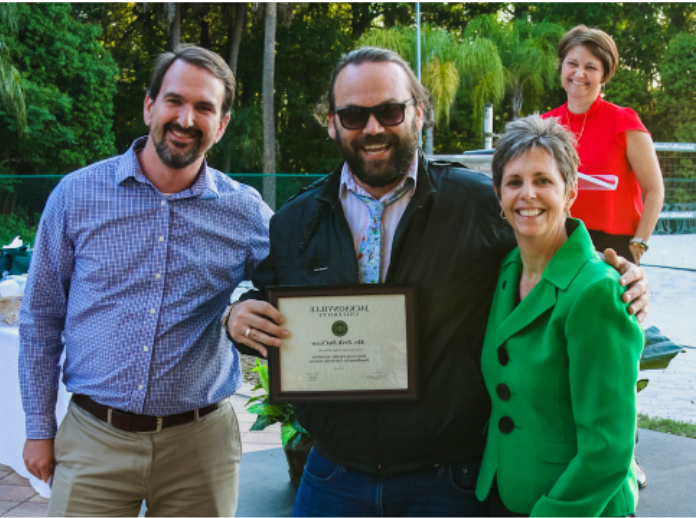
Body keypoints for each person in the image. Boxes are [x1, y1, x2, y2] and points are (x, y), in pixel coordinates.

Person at [222, 47, 649, 517]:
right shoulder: (295, 219)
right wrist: (236, 313)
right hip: (332, 476)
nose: (372, 128)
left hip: (448, 482)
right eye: (352, 114)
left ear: (418, 113)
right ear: (332, 122)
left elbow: (549, 244)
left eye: (389, 110)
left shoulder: (478, 202)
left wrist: (619, 274)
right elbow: (264, 294)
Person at [19, 45, 272, 517]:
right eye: (174, 100)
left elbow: (298, 284)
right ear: (149, 105)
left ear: (221, 125)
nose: (185, 118)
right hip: (94, 439)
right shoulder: (76, 195)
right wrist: (38, 427)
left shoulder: (245, 212)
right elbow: (40, 319)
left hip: (201, 449)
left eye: (204, 107)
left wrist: (241, 307)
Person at [475, 115, 643, 517]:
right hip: (505, 491)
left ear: (569, 193)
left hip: (574, 505)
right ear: (499, 195)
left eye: (543, 181)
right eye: (514, 182)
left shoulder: (598, 291)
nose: (527, 194)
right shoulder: (506, 270)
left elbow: (609, 447)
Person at [542, 25, 664, 266]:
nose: (579, 74)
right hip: (557, 243)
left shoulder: (624, 122)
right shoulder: (544, 124)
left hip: (613, 249)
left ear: (604, 75)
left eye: (590, 67)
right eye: (572, 64)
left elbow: (654, 191)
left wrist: (638, 244)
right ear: (562, 67)